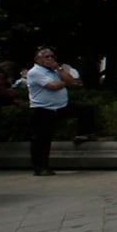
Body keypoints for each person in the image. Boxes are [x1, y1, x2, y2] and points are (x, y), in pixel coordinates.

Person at [25, 46, 93, 175]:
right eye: (47, 57)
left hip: (60, 106)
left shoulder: (55, 70)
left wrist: (59, 69)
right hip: (43, 109)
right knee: (42, 139)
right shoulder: (35, 72)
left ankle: (83, 133)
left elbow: (72, 81)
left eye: (52, 56)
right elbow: (53, 86)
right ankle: (40, 167)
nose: (50, 59)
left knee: (86, 110)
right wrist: (65, 83)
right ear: (38, 59)